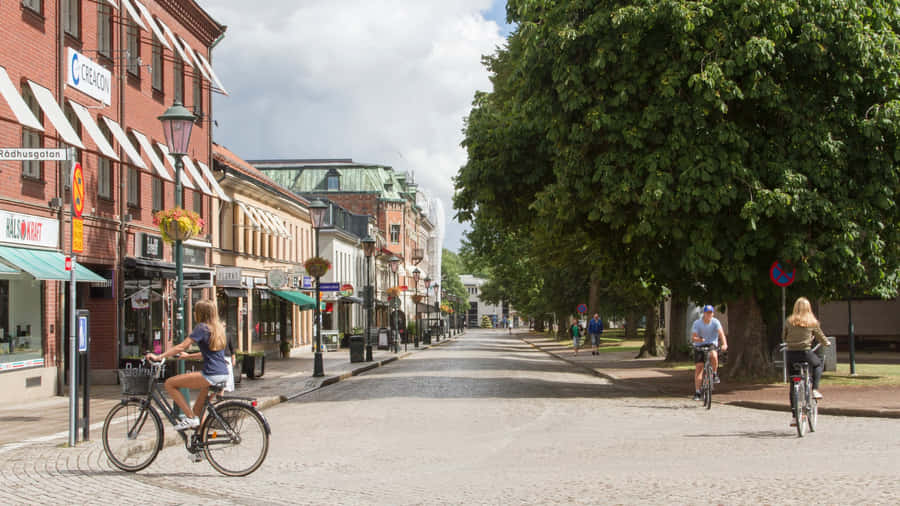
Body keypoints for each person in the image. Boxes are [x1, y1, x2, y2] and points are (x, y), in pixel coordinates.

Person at [146, 300, 230, 430]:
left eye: (196, 311)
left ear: (200, 313)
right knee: (198, 410)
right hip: (223, 374)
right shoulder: (218, 329)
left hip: (211, 374)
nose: (194, 313)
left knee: (169, 383)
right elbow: (208, 354)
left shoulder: (202, 327)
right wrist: (188, 356)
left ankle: (189, 418)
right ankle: (202, 444)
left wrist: (159, 356)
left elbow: (182, 346)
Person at [783, 297, 831, 426]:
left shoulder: (789, 321)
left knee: (793, 384)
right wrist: (826, 342)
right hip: (805, 353)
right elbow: (821, 337)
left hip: (791, 354)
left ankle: (794, 417)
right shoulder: (812, 322)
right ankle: (815, 389)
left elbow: (784, 337)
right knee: (818, 363)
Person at [691, 305, 728, 400]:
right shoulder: (697, 323)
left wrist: (724, 344)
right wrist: (699, 339)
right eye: (707, 313)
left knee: (714, 355)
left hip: (711, 344)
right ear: (704, 313)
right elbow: (693, 337)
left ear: (713, 314)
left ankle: (714, 374)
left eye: (710, 313)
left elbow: (721, 334)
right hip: (699, 345)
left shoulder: (716, 322)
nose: (709, 314)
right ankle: (698, 392)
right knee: (699, 367)